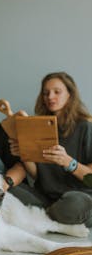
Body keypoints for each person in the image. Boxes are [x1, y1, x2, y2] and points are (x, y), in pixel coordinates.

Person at [9, 71, 92, 226]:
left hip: (78, 196)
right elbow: (37, 175)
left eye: (57, 92)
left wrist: (69, 162)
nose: (50, 97)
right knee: (6, 191)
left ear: (70, 95)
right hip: (46, 197)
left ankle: (44, 217)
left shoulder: (85, 128)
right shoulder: (36, 125)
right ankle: (51, 217)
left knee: (74, 205)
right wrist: (24, 154)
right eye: (46, 93)